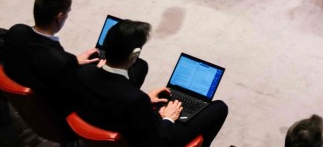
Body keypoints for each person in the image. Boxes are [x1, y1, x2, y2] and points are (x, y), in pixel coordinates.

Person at [75, 19, 229, 147]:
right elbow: (158, 141)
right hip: (143, 140)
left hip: (103, 126)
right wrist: (167, 118)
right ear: (135, 54)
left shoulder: (82, 72)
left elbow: (114, 99)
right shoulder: (135, 99)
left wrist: (146, 100)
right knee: (219, 108)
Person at [2, 0, 104, 117]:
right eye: (68, 12)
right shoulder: (61, 62)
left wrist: (74, 61)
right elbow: (77, 94)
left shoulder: (16, 31)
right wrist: (97, 74)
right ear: (60, 17)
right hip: (54, 117)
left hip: (26, 106)